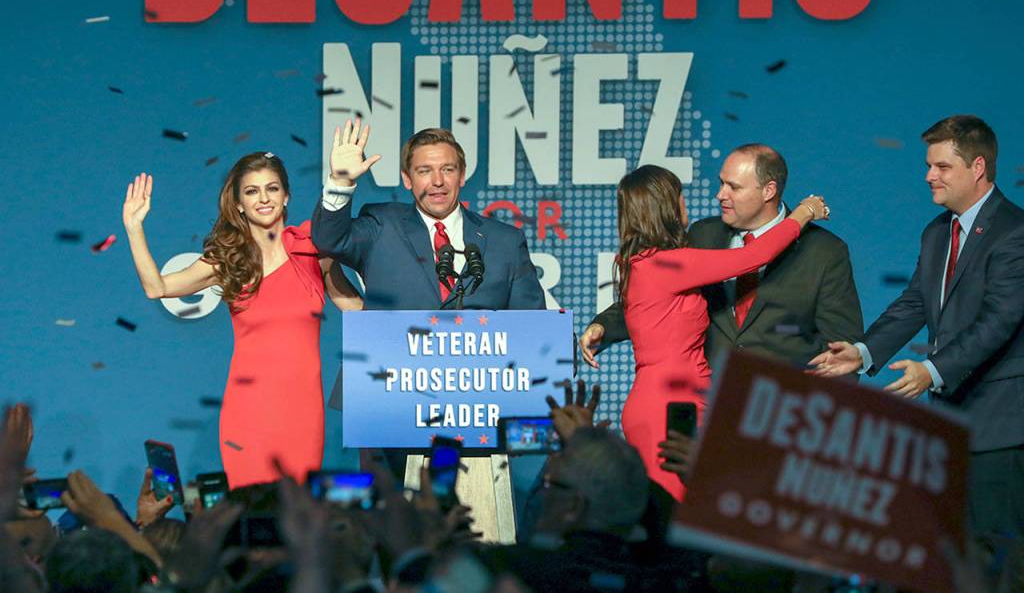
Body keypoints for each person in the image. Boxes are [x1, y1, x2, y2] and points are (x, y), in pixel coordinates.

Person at [809, 115, 1024, 541]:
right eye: (929, 165)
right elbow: (914, 302)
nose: (929, 176)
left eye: (942, 167)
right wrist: (863, 351)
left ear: (978, 167)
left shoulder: (1014, 232)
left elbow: (999, 321)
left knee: (999, 557)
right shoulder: (937, 232)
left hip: (999, 429)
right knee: (951, 556)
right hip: (947, 427)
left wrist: (932, 371)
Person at [122, 153, 364, 488]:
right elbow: (157, 287)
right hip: (249, 413)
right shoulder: (229, 261)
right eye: (252, 191)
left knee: (296, 508)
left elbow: (356, 310)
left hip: (302, 413)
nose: (264, 198)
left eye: (272, 188)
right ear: (238, 204)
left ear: (286, 196)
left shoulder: (312, 248)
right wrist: (134, 228)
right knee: (250, 509)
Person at [611, 165, 828, 500]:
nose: (685, 204)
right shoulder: (668, 264)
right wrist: (804, 212)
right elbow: (755, 256)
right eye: (680, 197)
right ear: (666, 206)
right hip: (669, 408)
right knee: (676, 518)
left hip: (669, 401)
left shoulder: (643, 264)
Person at [312, 120, 546, 405]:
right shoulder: (381, 225)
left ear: (462, 176)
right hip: (389, 401)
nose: (438, 181)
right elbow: (329, 240)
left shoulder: (504, 241)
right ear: (407, 179)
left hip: (479, 403)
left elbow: (534, 325)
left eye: (448, 169)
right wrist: (340, 183)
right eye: (425, 171)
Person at [580, 143, 862, 372]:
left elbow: (841, 352)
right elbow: (652, 299)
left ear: (769, 190)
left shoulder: (824, 251)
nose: (720, 195)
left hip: (780, 412)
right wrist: (603, 325)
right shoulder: (702, 235)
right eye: (721, 183)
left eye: (733, 187)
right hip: (704, 405)